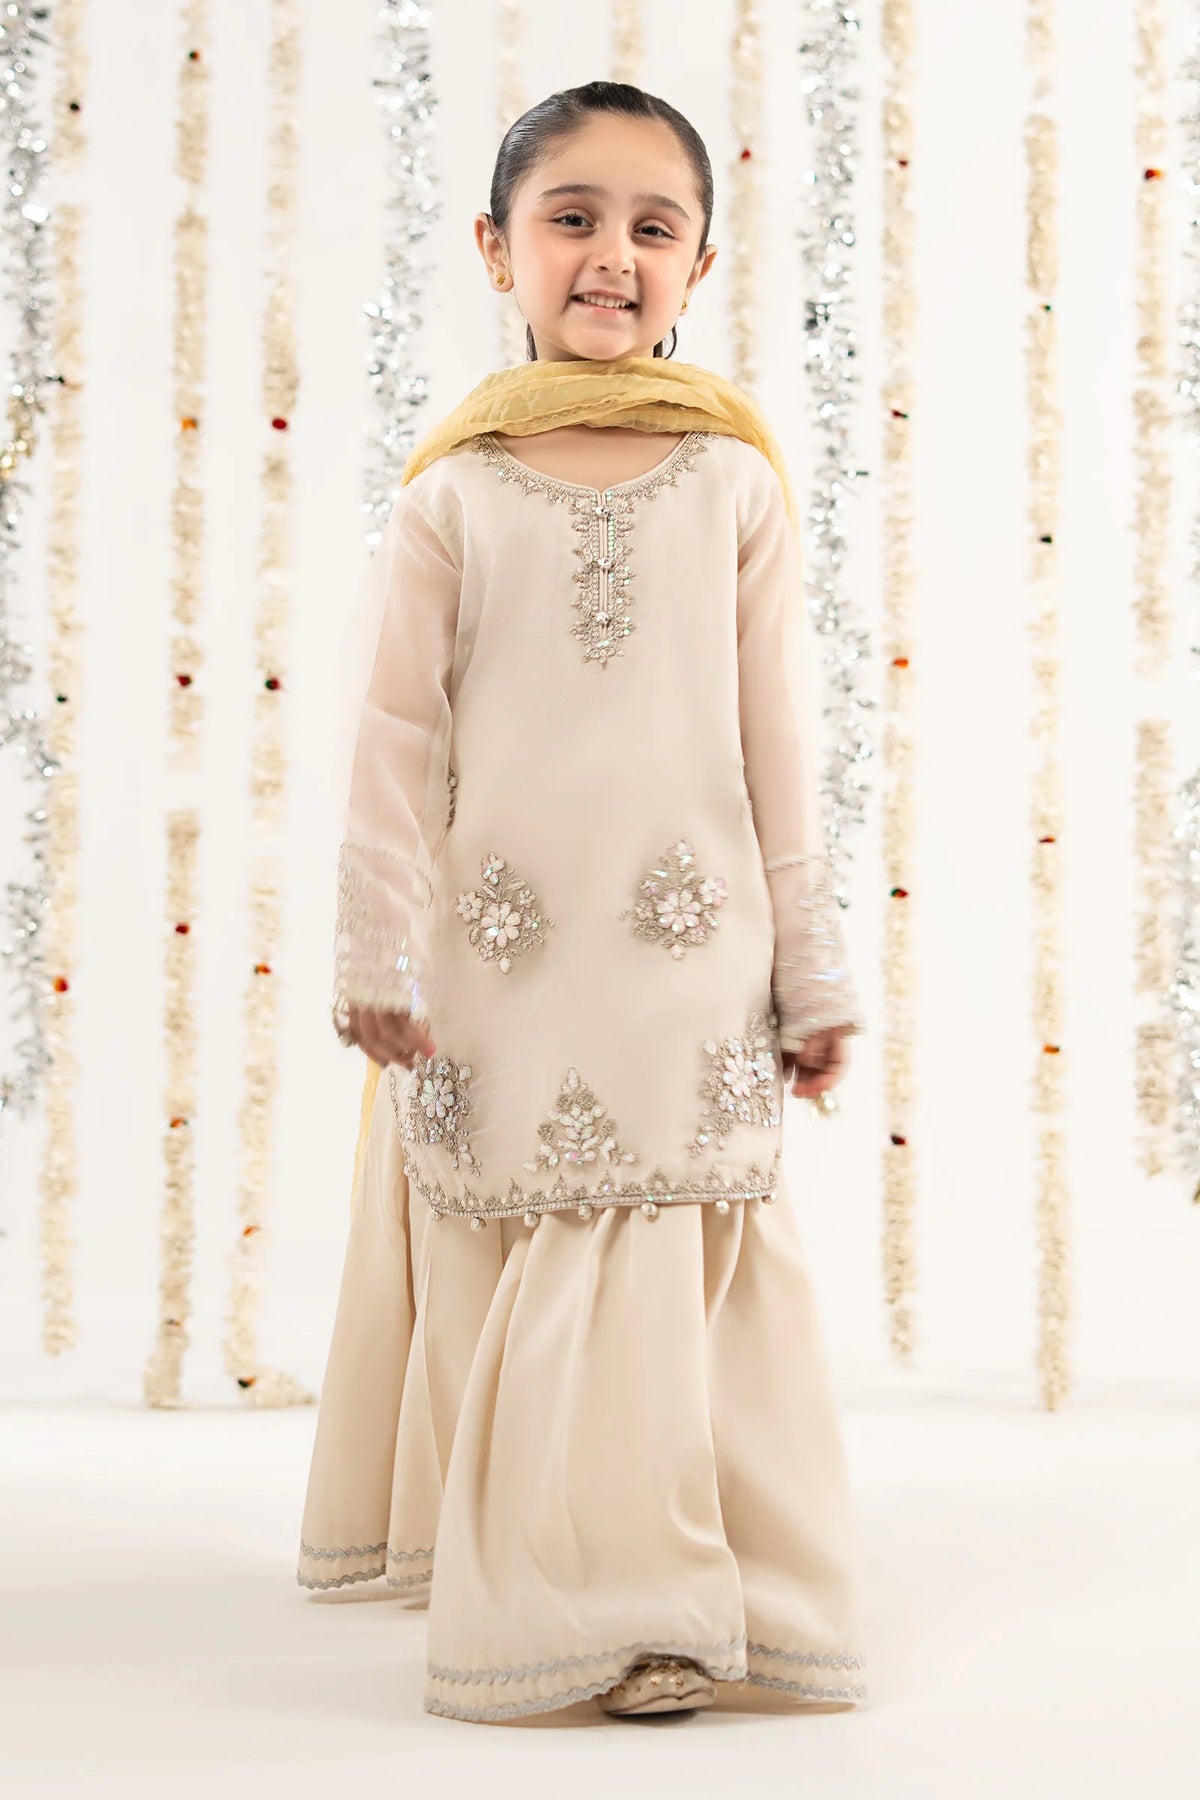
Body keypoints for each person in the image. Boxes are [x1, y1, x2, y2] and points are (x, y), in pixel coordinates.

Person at [296, 79, 870, 1725]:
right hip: (506, 952)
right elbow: (395, 740)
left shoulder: (733, 482)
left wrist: (814, 972)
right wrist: (380, 952)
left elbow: (777, 741)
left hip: (690, 952)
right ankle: (550, 1587)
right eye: (572, 217)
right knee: (526, 1239)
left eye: (652, 225)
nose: (612, 255)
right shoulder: (453, 493)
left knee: (668, 1255)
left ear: (700, 264)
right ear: (497, 249)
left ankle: (678, 1607)